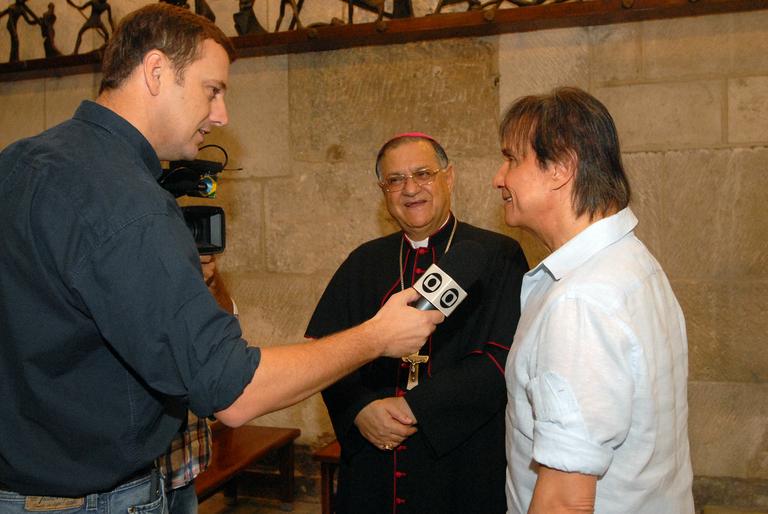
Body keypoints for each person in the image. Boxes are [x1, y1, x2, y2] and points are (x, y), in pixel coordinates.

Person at [0, 5, 442, 512]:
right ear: (157, 71)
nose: (221, 115)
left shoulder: (18, 161)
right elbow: (235, 392)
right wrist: (376, 336)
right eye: (213, 90)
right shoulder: (129, 202)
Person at [494, 87, 694, 513]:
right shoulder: (632, 263)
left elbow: (565, 500)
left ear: (560, 168)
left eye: (511, 158)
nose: (499, 177)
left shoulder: (581, 301)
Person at [306, 133, 529, 514]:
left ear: (449, 177)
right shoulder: (364, 262)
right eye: (395, 180)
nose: (410, 189)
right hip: (374, 460)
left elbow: (501, 357)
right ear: (383, 191)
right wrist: (360, 408)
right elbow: (322, 349)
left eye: (423, 174)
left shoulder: (497, 256)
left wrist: (415, 407)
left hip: (463, 464)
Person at [159, 255, 232, 514]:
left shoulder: (195, 278)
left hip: (183, 464)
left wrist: (209, 281)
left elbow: (227, 331)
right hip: (143, 477)